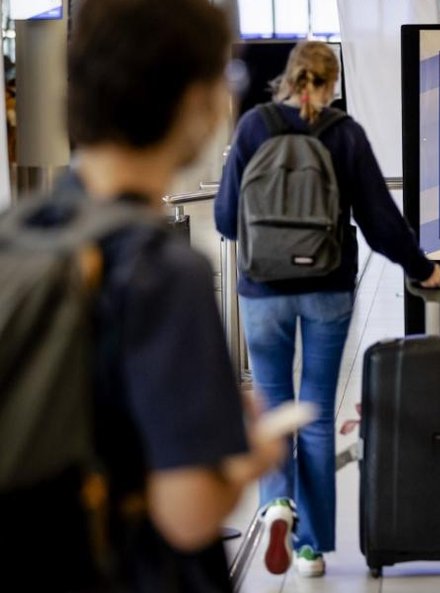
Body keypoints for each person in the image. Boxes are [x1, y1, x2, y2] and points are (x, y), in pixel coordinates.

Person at [29, 0, 287, 590]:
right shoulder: (163, 271)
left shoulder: (26, 230)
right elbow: (189, 512)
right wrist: (252, 454)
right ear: (193, 101)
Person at [215, 41, 440, 578]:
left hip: (262, 290)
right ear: (332, 82)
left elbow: (226, 218)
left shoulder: (253, 127)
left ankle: (276, 505)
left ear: (288, 79)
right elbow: (380, 221)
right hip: (327, 286)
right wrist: (421, 267)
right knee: (315, 411)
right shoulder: (344, 135)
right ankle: (311, 549)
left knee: (275, 406)